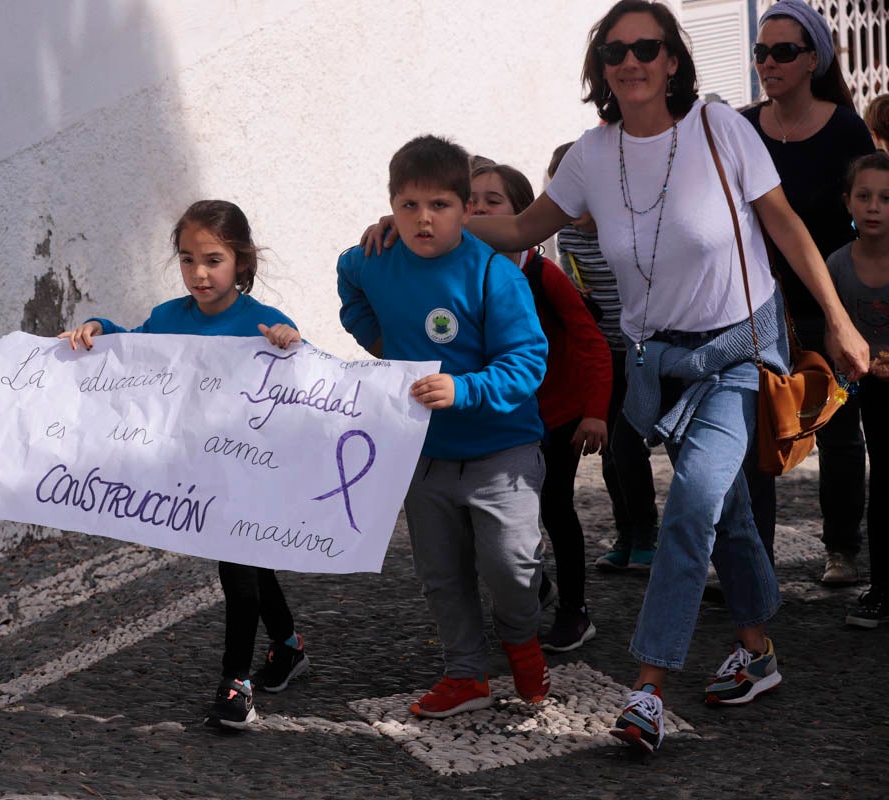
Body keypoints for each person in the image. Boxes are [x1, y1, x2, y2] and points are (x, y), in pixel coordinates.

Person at [361, 0, 867, 752]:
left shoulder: (721, 127)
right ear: (601, 67)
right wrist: (419, 223)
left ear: (672, 61)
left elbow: (785, 223)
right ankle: (758, 652)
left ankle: (648, 687)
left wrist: (837, 317)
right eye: (615, 50)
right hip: (655, 362)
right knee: (725, 508)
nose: (630, 61)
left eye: (647, 47)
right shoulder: (591, 157)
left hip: (736, 352)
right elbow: (524, 229)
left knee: (693, 503)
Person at [59, 199, 308, 730]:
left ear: (242, 262)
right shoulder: (168, 318)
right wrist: (98, 329)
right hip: (200, 473)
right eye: (187, 258)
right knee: (254, 565)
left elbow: (307, 388)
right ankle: (288, 644)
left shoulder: (266, 323)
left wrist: (293, 345)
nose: (199, 272)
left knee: (239, 572)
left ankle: (235, 682)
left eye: (213, 259)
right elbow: (134, 354)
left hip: (250, 472)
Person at [339, 135, 551, 719]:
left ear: (464, 208)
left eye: (439, 205)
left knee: (511, 566)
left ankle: (521, 637)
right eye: (408, 206)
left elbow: (528, 361)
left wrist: (464, 389)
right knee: (441, 573)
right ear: (391, 207)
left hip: (502, 450)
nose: (423, 219)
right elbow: (347, 280)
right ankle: (466, 675)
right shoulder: (375, 259)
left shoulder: (493, 276)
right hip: (423, 454)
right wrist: (380, 345)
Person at [741, 0, 876, 583]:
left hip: (831, 298)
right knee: (760, 428)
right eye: (761, 51)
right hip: (757, 302)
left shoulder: (845, 127)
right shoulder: (743, 126)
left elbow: (866, 208)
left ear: (812, 60)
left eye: (783, 51)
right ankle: (754, 556)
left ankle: (842, 549)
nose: (768, 62)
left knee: (840, 430)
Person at [469, 157, 611, 653]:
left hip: (559, 415)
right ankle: (538, 585)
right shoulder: (465, 271)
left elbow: (591, 342)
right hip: (504, 417)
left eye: (494, 201)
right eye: (472, 201)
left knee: (554, 507)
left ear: (520, 213)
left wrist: (595, 410)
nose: (480, 210)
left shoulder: (543, 273)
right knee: (483, 512)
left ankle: (574, 611)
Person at [548, 143, 660, 573]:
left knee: (635, 448)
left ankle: (652, 537)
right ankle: (630, 536)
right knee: (615, 453)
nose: (572, 201)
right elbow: (572, 287)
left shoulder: (629, 226)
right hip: (605, 354)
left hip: (646, 349)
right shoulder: (568, 235)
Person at [829, 152, 889, 627]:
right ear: (847, 202)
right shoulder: (837, 265)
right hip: (874, 394)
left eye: (886, 199)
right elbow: (834, 330)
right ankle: (882, 587)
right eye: (864, 196)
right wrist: (848, 358)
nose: (874, 207)